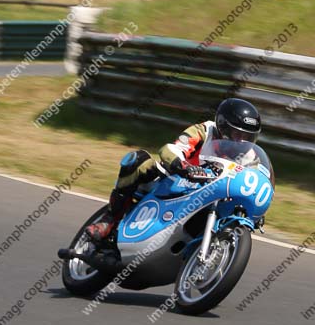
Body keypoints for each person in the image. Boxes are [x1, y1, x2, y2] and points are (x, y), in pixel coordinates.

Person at [85, 98, 273, 243]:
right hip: (178, 180)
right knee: (139, 161)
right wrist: (183, 166)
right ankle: (111, 219)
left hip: (212, 193)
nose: (241, 140)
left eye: (248, 136)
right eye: (237, 134)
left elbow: (252, 183)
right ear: (223, 126)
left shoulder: (249, 155)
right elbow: (171, 149)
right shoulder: (204, 131)